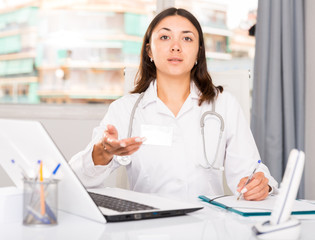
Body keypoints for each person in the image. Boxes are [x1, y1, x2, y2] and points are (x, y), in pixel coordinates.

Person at [69, 8, 278, 202]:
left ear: (198, 53)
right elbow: (79, 179)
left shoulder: (224, 105)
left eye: (187, 38)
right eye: (165, 37)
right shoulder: (124, 110)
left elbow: (249, 172)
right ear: (149, 51)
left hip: (207, 227)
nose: (176, 46)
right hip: (148, 227)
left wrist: (260, 185)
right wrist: (103, 152)